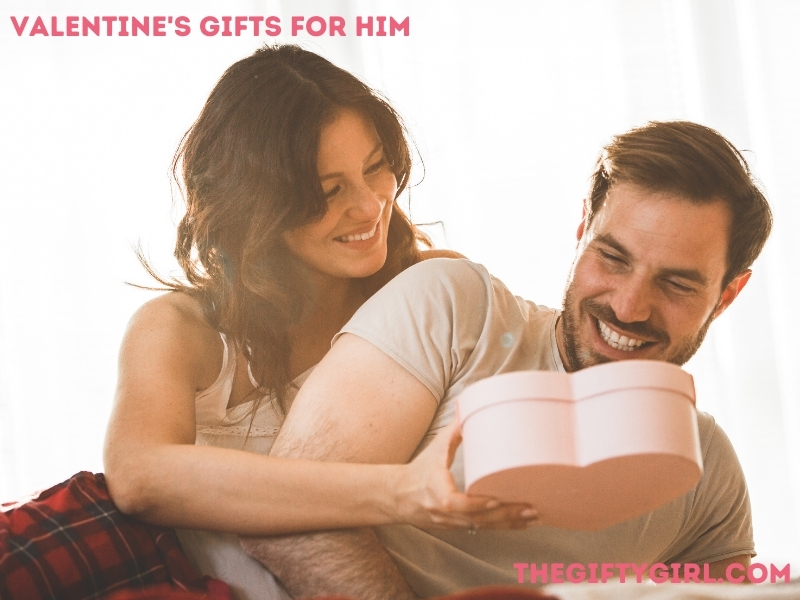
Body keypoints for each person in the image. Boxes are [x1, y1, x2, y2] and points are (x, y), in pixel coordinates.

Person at [240, 121, 773, 599]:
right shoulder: (456, 307)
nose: (628, 306)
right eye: (612, 257)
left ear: (727, 295)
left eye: (676, 283)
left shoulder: (708, 468)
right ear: (582, 228)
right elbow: (287, 515)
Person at [102, 44, 534, 600]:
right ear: (253, 205)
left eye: (376, 167)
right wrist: (400, 490)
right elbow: (139, 476)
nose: (370, 206)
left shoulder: (428, 294)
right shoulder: (181, 330)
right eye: (328, 192)